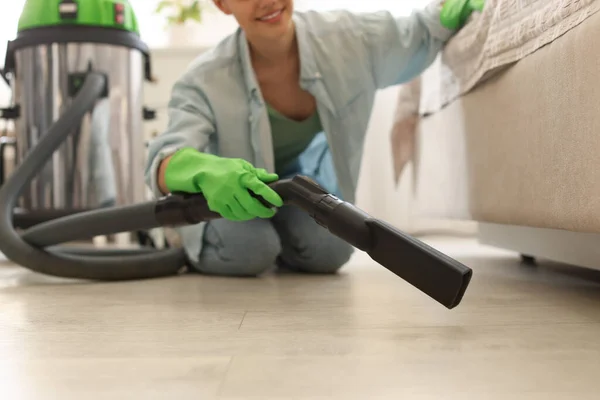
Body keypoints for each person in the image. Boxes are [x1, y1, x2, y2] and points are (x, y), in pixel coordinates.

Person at [145, 0, 483, 277]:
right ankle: (197, 240)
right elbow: (165, 159)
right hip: (230, 199)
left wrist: (449, 12)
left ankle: (282, 238)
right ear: (222, 4)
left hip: (294, 185)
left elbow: (417, 31)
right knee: (249, 252)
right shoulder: (203, 80)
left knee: (330, 251)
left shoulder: (349, 38)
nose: (267, 2)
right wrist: (204, 170)